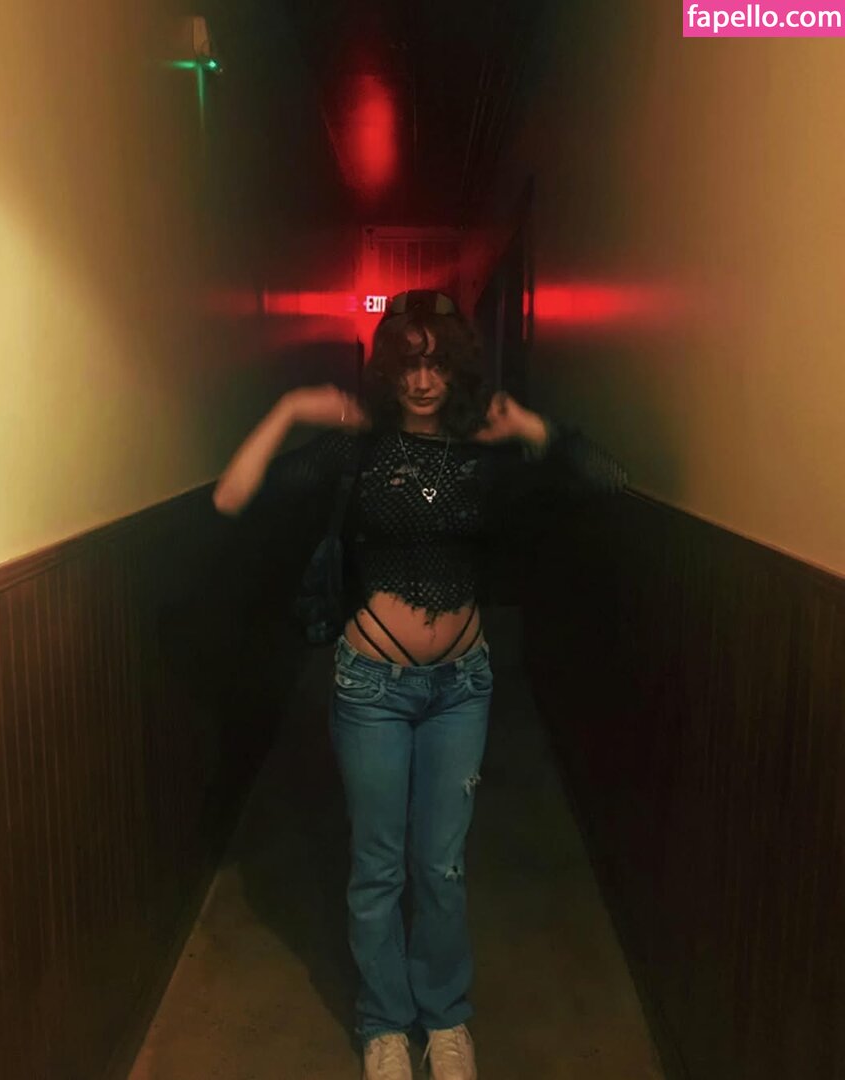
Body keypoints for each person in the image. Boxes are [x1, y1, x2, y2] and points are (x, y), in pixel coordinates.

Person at [213, 289, 627, 1080]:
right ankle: (384, 1024)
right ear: (388, 369)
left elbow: (610, 479)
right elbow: (232, 496)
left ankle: (446, 1017)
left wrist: (531, 428)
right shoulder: (358, 450)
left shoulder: (484, 451)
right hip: (372, 687)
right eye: (408, 362)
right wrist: (291, 409)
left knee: (441, 865)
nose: (423, 379)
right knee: (378, 866)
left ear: (458, 367)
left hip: (461, 689)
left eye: (437, 362)